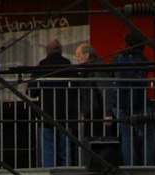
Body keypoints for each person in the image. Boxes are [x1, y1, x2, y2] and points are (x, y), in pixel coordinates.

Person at [110, 32, 155, 166]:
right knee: (149, 134)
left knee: (126, 136)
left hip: (121, 103)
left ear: (127, 44)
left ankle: (129, 165)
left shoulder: (116, 60)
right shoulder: (144, 60)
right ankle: (149, 164)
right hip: (140, 101)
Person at [28, 39, 75, 168]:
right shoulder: (68, 65)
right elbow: (77, 90)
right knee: (65, 150)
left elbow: (32, 91)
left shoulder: (42, 65)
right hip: (66, 114)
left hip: (47, 112)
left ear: (47, 51)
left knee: (48, 148)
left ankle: (48, 173)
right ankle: (67, 173)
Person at [72, 44, 107, 160]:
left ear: (86, 56)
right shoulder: (87, 72)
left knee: (96, 141)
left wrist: (108, 113)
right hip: (91, 111)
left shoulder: (96, 70)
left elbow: (105, 91)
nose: (77, 60)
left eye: (78, 56)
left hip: (97, 112)